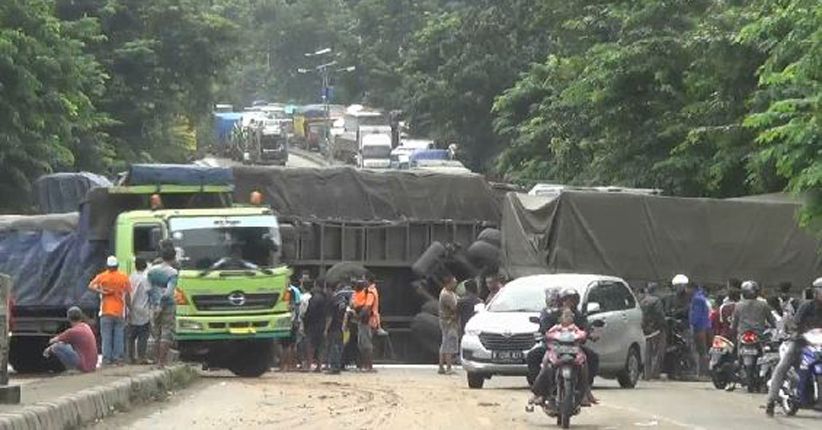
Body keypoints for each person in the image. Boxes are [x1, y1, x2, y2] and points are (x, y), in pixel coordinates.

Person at [530, 288, 598, 408]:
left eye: (573, 300)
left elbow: (586, 327)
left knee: (592, 357)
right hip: (553, 348)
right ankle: (539, 391)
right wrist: (543, 334)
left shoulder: (578, 315)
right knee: (533, 356)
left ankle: (585, 391)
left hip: (574, 348)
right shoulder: (551, 314)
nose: (569, 303)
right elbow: (544, 328)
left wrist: (590, 334)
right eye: (567, 300)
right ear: (561, 301)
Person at [765, 278, 822, 416]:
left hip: (819, 344)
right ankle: (771, 400)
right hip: (801, 342)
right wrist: (796, 332)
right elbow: (794, 323)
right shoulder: (806, 306)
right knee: (783, 367)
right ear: (815, 292)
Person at [88, 255, 131, 365]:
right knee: (119, 335)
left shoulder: (102, 276)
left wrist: (102, 292)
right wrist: (129, 308)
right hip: (119, 311)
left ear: (107, 266)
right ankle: (118, 358)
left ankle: (107, 359)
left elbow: (91, 286)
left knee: (106, 336)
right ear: (117, 266)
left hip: (106, 311)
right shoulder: (124, 277)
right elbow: (128, 295)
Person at [146, 246, 178, 368]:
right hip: (167, 305)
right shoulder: (173, 273)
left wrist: (155, 304)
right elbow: (168, 292)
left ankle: (154, 361)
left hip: (153, 305)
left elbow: (148, 289)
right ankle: (161, 362)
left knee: (156, 334)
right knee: (166, 333)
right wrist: (162, 305)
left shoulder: (152, 271)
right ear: (173, 258)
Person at [43, 307, 97, 373]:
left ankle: (73, 369)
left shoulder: (72, 332)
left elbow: (53, 341)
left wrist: (48, 349)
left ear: (68, 318)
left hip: (85, 366)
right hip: (92, 365)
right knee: (64, 344)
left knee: (57, 346)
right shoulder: (86, 326)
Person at [680, 275, 710, 379]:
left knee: (699, 350)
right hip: (704, 326)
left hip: (699, 328)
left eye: (687, 288)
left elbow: (696, 315)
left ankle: (701, 373)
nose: (686, 291)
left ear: (691, 288)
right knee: (702, 350)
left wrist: (692, 325)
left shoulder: (697, 299)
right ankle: (703, 372)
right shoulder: (702, 297)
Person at [639, 282, 667, 380]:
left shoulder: (642, 301)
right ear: (656, 290)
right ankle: (655, 373)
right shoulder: (656, 301)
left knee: (647, 352)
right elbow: (659, 315)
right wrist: (663, 324)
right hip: (656, 329)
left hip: (646, 329)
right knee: (658, 351)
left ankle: (646, 374)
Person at [126, 258, 151, 364]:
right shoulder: (145, 278)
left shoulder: (131, 277)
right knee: (143, 335)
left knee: (131, 336)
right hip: (143, 309)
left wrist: (129, 308)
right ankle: (142, 357)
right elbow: (150, 292)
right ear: (145, 265)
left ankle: (130, 357)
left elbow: (127, 293)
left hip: (132, 308)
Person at [351, 278, 379, 372]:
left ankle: (368, 366)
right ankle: (364, 365)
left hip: (367, 321)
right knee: (362, 343)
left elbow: (367, 307)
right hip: (362, 320)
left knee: (366, 344)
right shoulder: (360, 294)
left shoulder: (369, 293)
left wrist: (358, 316)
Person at [325, 282, 353, 374]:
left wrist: (326, 329)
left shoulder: (332, 300)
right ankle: (338, 365)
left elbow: (330, 316)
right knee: (339, 346)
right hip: (341, 326)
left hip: (334, 327)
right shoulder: (343, 301)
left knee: (334, 347)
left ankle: (334, 367)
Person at [303, 282, 328, 372]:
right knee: (320, 346)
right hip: (322, 323)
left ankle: (309, 365)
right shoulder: (326, 297)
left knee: (310, 345)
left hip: (313, 324)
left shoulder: (314, 298)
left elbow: (310, 312)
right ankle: (319, 366)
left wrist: (305, 320)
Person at [280, 275, 303, 372]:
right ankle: (291, 365)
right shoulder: (295, 291)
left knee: (285, 345)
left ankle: (284, 366)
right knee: (292, 345)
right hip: (293, 320)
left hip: (286, 321)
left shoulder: (286, 292)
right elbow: (297, 307)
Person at [438, 274, 459, 375]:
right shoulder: (446, 295)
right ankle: (448, 367)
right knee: (448, 345)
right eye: (454, 282)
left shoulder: (451, 293)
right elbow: (455, 307)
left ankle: (441, 366)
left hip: (448, 321)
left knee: (444, 343)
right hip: (448, 322)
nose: (456, 283)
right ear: (449, 283)